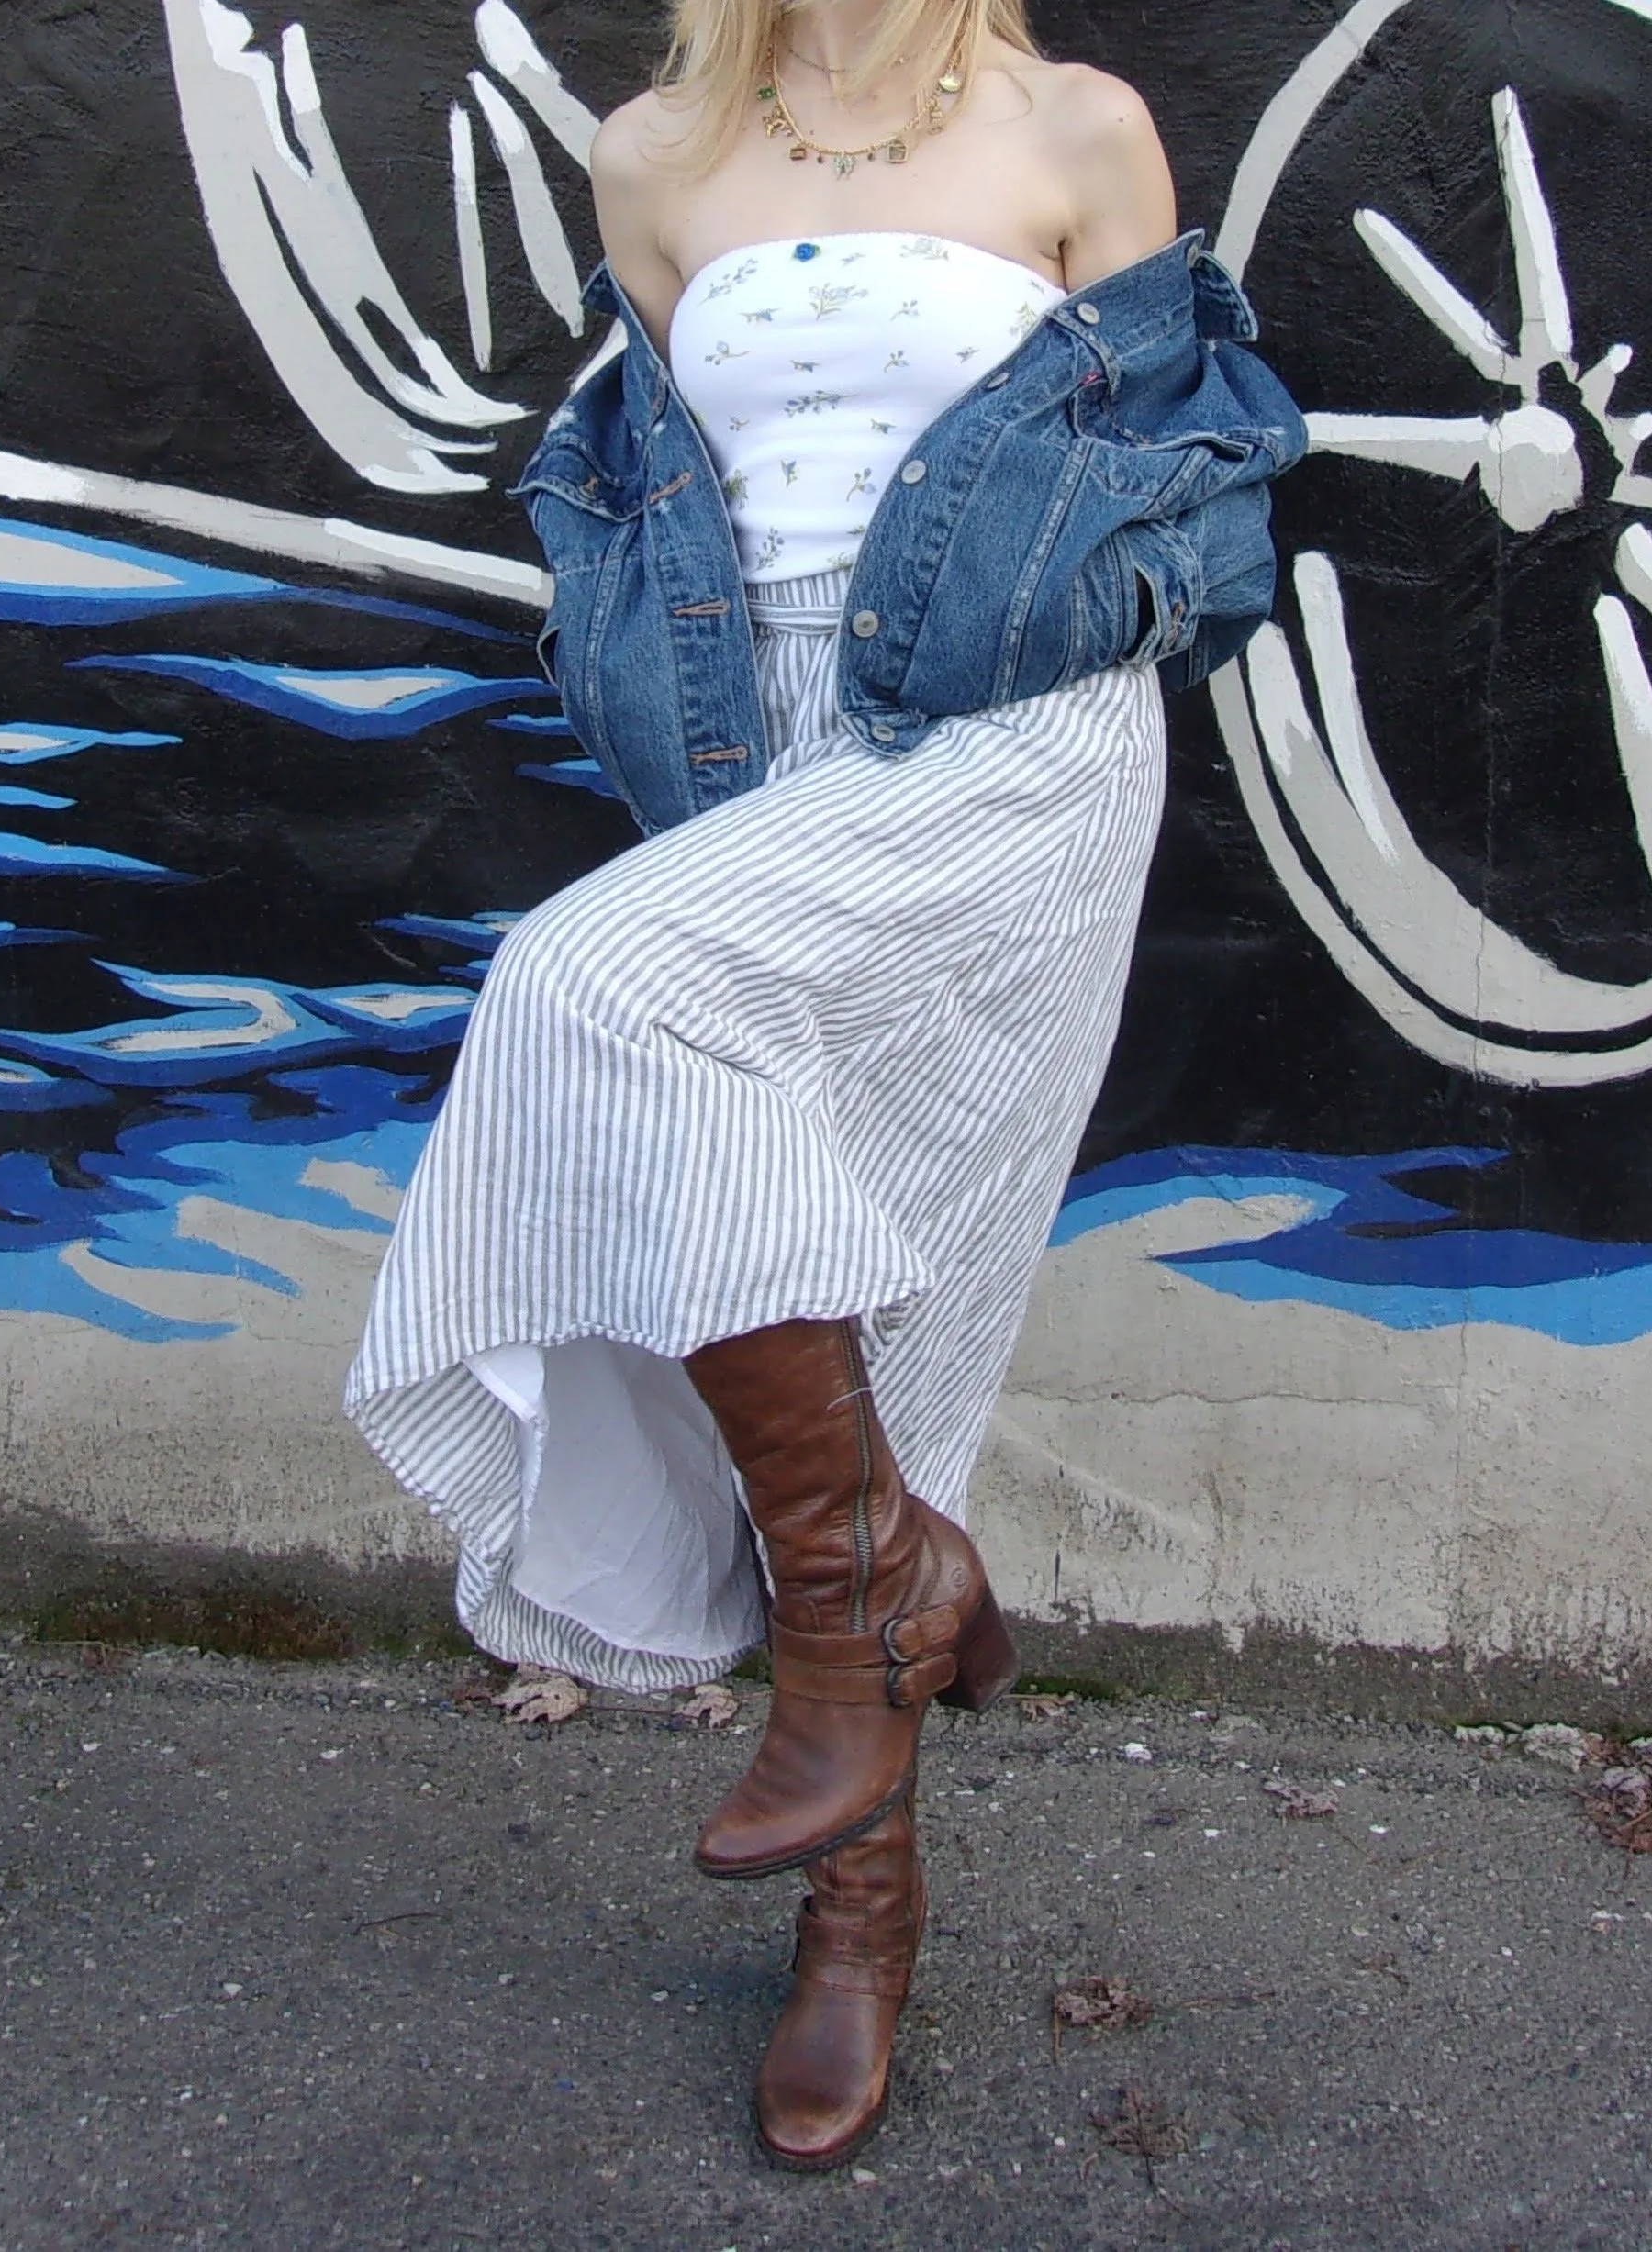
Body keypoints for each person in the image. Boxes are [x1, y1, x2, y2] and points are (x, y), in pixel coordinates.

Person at [347, 0, 1303, 2170]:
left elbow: (1197, 472)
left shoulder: (1078, 131)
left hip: (1009, 746)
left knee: (583, 985)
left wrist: (1054, 607)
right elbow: (643, 500)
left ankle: (871, 1595)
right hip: (748, 751)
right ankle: (862, 1870)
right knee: (820, 1290)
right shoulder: (655, 152)